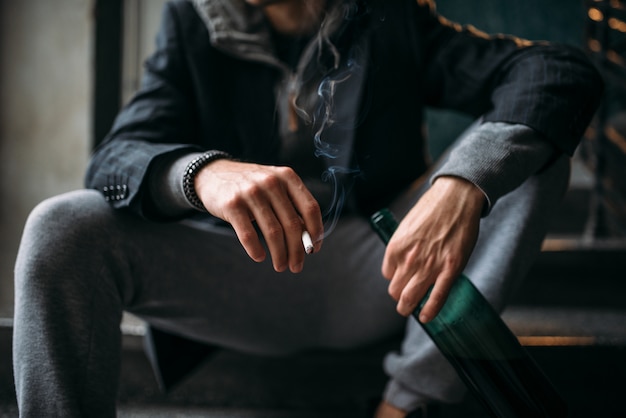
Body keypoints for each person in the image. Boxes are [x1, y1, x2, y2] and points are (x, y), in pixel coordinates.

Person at [13, 0, 603, 416]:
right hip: (240, 274)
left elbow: (558, 71)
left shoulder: (385, 14)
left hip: (379, 273)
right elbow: (115, 158)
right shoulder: (196, 19)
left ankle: (412, 398)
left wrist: (461, 185)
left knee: (534, 138)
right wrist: (202, 174)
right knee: (60, 226)